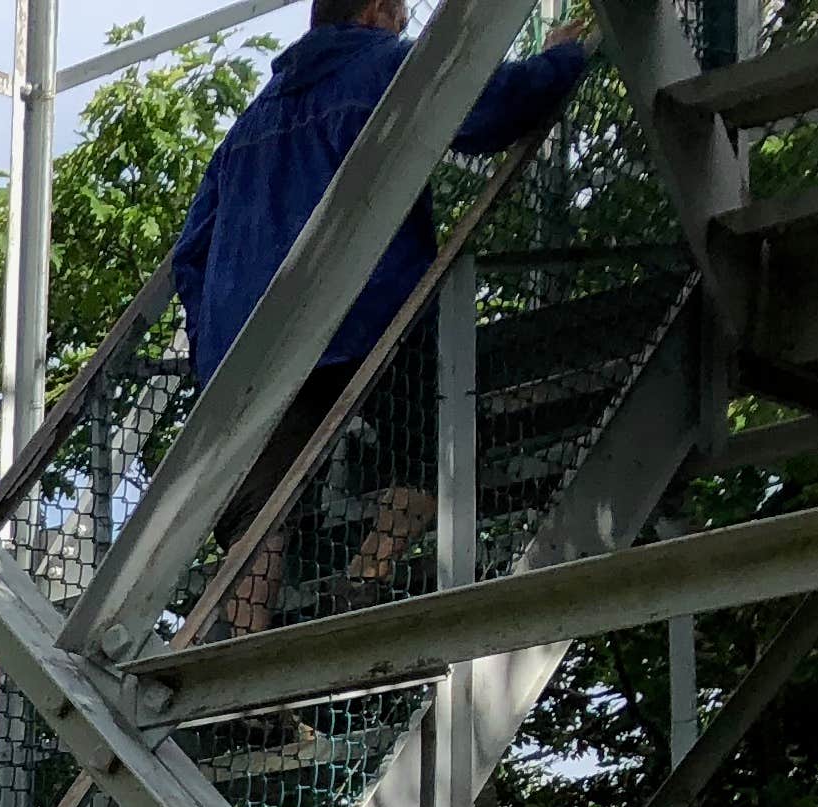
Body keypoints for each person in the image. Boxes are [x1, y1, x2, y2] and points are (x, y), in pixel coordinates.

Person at [169, 0, 596, 628]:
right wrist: (563, 57)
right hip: (369, 317)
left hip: (251, 347)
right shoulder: (385, 66)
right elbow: (489, 108)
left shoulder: (249, 123)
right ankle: (367, 577)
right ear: (373, 13)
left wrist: (214, 345)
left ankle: (243, 653)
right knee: (436, 439)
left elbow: (191, 252)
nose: (404, 23)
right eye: (399, 12)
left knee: (256, 502)